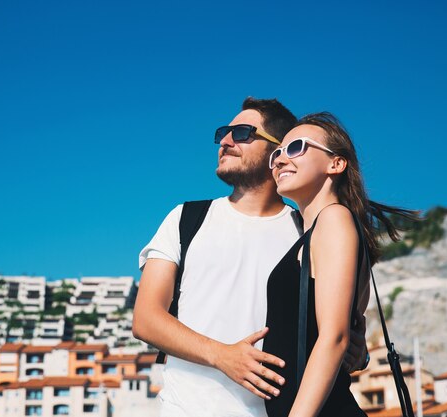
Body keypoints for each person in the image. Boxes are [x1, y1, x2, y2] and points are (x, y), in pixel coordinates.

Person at [132, 98, 367, 417]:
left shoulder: (310, 230)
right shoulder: (186, 219)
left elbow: (343, 329)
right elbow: (145, 319)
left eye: (242, 133)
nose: (225, 141)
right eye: (223, 133)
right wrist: (222, 356)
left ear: (276, 150)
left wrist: (358, 350)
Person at [263, 112, 415, 417]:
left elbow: (335, 337)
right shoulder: (321, 230)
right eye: (277, 153)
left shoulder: (333, 219)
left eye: (296, 148)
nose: (279, 159)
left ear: (336, 163)